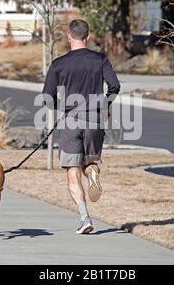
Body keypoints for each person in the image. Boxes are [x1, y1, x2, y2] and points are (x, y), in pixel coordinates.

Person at [42, 19, 120, 234]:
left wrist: (62, 108)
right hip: (95, 120)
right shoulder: (100, 60)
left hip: (71, 122)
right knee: (89, 161)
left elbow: (47, 98)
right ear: (87, 37)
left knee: (72, 172)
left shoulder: (59, 64)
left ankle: (85, 218)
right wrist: (105, 104)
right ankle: (93, 172)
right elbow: (114, 86)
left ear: (69, 36)